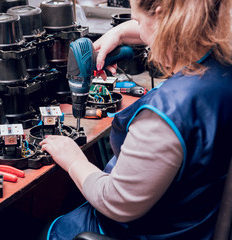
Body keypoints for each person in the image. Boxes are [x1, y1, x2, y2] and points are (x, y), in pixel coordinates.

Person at [40, 0, 232, 239]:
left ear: (162, 17)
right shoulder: (223, 61)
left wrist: (72, 160)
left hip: (151, 230)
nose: (138, 30)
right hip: (197, 218)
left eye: (138, 21)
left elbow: (116, 201)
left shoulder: (166, 114)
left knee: (45, 227)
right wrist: (119, 32)